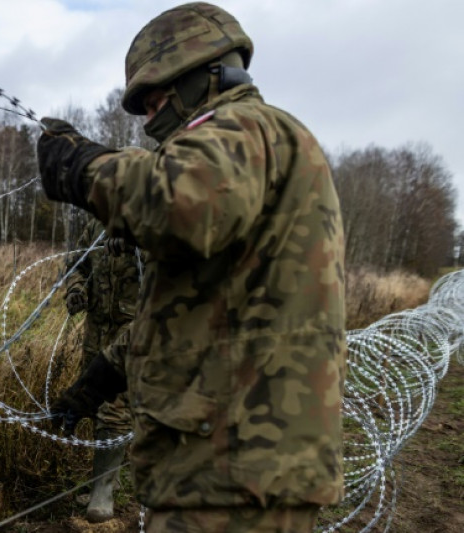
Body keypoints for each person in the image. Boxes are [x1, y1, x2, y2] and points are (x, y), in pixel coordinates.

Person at [38, 3, 347, 531]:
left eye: (155, 96)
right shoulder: (265, 144)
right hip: (235, 461)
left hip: (231, 468)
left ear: (202, 77)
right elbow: (207, 305)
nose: (149, 113)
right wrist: (107, 372)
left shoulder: (242, 127)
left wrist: (83, 167)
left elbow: (182, 204)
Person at [63, 215, 140, 522]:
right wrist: (76, 289)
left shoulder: (151, 214)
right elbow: (77, 263)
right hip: (96, 331)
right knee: (94, 400)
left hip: (132, 330)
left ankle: (103, 492)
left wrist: (136, 242)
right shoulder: (95, 222)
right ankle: (109, 477)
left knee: (115, 406)